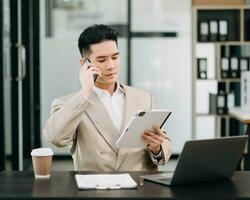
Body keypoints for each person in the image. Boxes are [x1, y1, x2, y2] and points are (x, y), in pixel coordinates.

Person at [43, 24, 172, 171]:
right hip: (95, 189)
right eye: (102, 60)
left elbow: (164, 145)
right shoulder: (68, 104)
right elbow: (55, 137)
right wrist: (86, 91)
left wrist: (156, 147)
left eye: (115, 57)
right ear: (85, 64)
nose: (111, 65)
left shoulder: (144, 98)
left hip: (140, 189)